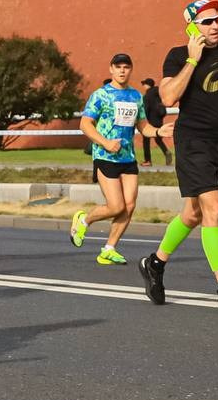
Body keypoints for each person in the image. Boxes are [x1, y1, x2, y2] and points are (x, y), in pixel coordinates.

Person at [138, 0, 218, 305]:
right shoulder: (178, 56)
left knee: (193, 212)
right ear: (191, 27)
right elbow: (169, 95)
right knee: (214, 208)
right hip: (194, 141)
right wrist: (193, 60)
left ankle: (155, 263)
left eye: (217, 20)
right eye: (207, 21)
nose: (215, 25)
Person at [69, 54, 168, 265]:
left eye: (126, 67)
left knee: (129, 206)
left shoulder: (135, 96)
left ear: (131, 70)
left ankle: (109, 248)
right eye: (118, 67)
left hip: (127, 158)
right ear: (111, 69)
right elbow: (85, 125)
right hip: (105, 156)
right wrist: (104, 142)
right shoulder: (101, 95)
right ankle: (83, 220)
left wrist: (159, 132)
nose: (123, 71)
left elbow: (143, 127)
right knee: (116, 206)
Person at [139, 78, 171, 166]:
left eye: (144, 84)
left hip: (150, 121)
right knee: (158, 139)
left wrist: (144, 122)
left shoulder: (147, 96)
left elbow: (146, 110)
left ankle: (148, 160)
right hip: (159, 120)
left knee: (146, 141)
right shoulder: (158, 95)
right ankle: (166, 151)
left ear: (147, 85)